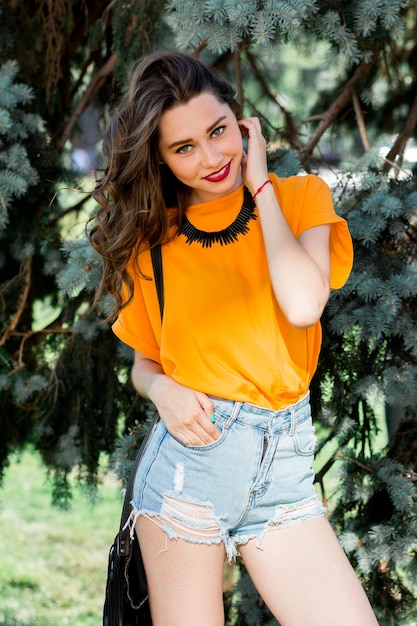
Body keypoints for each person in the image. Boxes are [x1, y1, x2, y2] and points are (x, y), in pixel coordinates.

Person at [90, 50, 379, 626]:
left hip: (286, 475)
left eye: (218, 131)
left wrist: (260, 187)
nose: (211, 157)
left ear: (240, 122)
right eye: (184, 148)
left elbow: (303, 304)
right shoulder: (154, 244)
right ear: (162, 159)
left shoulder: (299, 200)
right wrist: (160, 391)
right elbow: (146, 362)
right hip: (186, 472)